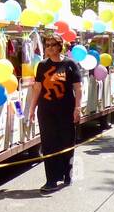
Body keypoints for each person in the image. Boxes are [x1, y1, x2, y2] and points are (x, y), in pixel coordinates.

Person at [25, 35, 82, 193]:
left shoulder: (70, 64)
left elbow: (78, 88)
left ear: (60, 46)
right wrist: (32, 108)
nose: (49, 48)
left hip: (66, 110)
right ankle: (51, 179)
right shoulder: (42, 65)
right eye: (47, 45)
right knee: (49, 143)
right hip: (46, 110)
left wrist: (77, 108)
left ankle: (67, 173)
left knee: (66, 142)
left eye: (52, 45)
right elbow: (37, 88)